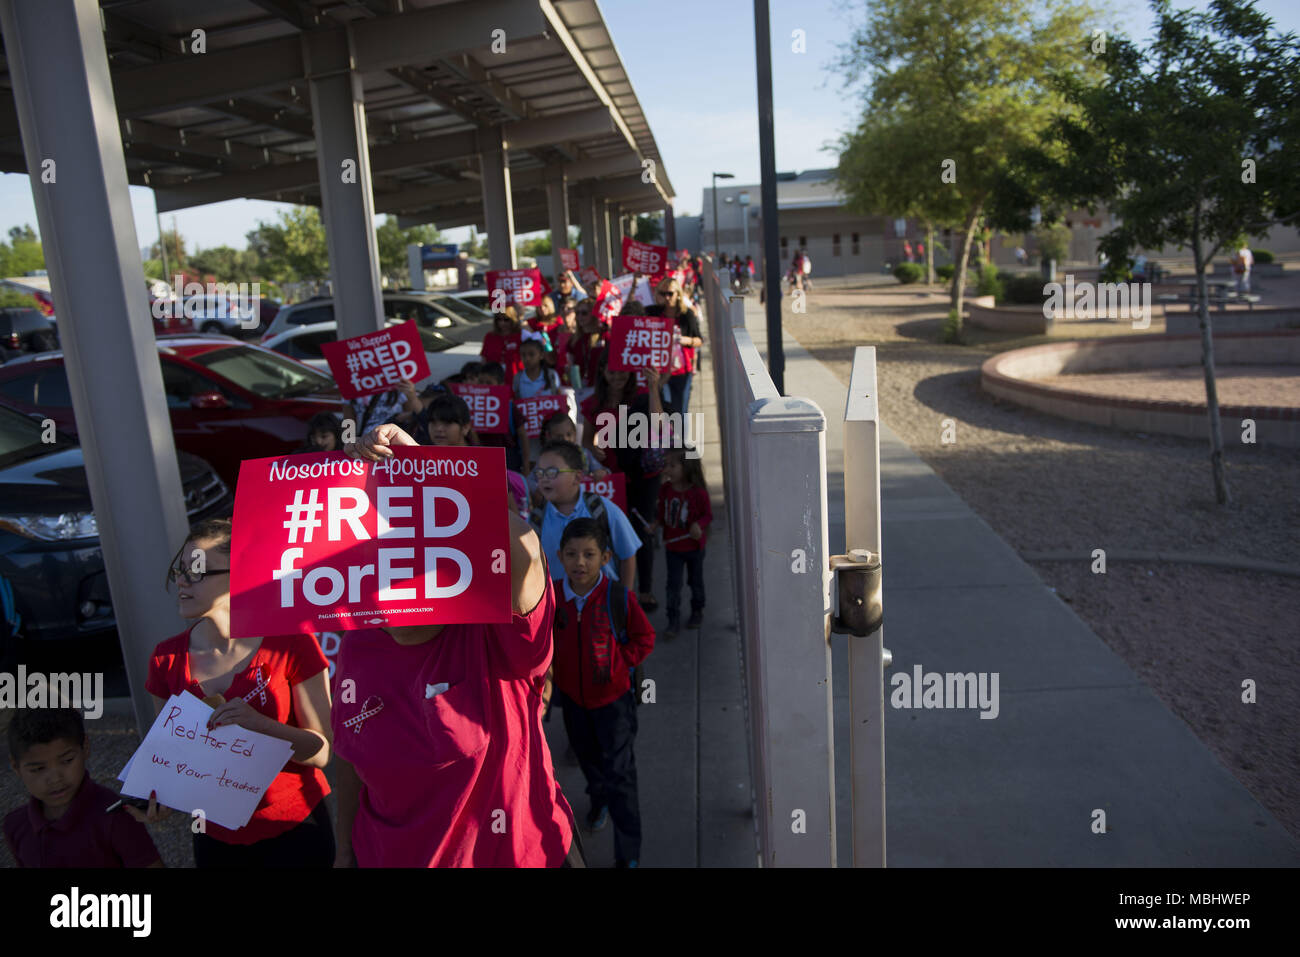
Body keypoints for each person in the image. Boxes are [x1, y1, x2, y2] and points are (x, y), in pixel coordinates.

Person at [333, 423, 582, 868]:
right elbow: (350, 757)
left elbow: (523, 551)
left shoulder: (494, 637)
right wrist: (342, 849)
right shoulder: (357, 642)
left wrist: (428, 472)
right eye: (376, 558)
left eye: (408, 559)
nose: (389, 580)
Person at [141, 518, 335, 868]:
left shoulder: (291, 643)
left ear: (240, 574)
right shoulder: (165, 659)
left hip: (295, 826)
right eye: (180, 569)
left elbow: (322, 753)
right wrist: (160, 794)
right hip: (213, 834)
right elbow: (169, 759)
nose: (182, 581)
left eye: (198, 570)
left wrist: (260, 725)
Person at [551, 518, 654, 867]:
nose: (580, 562)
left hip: (614, 705)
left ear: (605, 557)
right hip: (574, 703)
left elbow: (644, 638)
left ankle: (628, 856)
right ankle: (598, 798)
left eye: (589, 554)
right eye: (572, 554)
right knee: (587, 760)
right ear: (559, 557)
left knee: (621, 776)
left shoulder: (617, 597)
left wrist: (618, 662)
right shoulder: (552, 598)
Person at [5, 707, 163, 868]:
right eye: (38, 769)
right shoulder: (16, 825)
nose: (55, 778)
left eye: (67, 760)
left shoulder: (115, 817)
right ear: (15, 767)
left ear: (85, 747)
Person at [580, 357, 669, 612]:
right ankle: (614, 588)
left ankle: (645, 590)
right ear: (602, 371)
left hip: (644, 476)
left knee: (641, 532)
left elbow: (660, 425)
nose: (617, 377)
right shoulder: (592, 403)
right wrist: (594, 449)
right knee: (612, 532)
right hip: (611, 479)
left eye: (622, 372)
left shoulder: (641, 395)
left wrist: (654, 387)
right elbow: (586, 441)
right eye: (611, 371)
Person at [531, 440, 639, 591]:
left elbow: (627, 555)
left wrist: (624, 600)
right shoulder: (535, 520)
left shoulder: (602, 509)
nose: (544, 478)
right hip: (559, 608)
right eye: (539, 473)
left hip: (602, 606)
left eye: (552, 472)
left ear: (577, 477)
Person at [648, 449, 711, 640]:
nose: (667, 470)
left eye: (672, 465)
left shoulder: (698, 493)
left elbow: (707, 515)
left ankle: (697, 610)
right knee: (672, 585)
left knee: (695, 581)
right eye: (665, 465)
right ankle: (672, 619)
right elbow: (661, 513)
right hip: (673, 548)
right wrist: (655, 525)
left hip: (694, 549)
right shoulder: (665, 490)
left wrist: (698, 526)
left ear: (687, 467)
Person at [648, 277, 703, 416]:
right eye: (662, 293)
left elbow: (699, 340)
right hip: (658, 370)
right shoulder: (651, 312)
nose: (666, 297)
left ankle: (680, 437)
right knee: (659, 410)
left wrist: (683, 340)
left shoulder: (686, 314)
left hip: (681, 371)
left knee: (679, 412)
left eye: (670, 294)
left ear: (678, 294)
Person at [356, 378, 424, 436]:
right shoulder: (354, 389)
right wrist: (349, 442)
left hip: (393, 441)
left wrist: (411, 395)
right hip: (364, 443)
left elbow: (410, 417)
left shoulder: (399, 387)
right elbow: (349, 420)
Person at [514, 331, 562, 399]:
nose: (527, 358)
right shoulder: (518, 378)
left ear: (541, 355)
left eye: (531, 354)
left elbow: (559, 399)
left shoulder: (552, 375)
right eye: (523, 355)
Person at [481, 306, 524, 381]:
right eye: (499, 319)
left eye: (506, 319)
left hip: (515, 377)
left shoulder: (520, 335)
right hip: (493, 379)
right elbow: (484, 358)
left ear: (512, 319)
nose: (502, 323)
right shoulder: (490, 336)